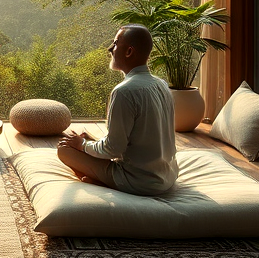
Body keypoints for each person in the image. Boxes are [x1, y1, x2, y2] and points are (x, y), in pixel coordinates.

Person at [56, 24, 178, 196]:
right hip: (167, 176)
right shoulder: (161, 84)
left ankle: (102, 183)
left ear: (129, 51)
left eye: (115, 44)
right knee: (87, 140)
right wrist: (89, 142)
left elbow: (113, 150)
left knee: (64, 149)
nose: (110, 49)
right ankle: (96, 170)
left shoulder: (124, 92)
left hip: (139, 181)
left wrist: (82, 145)